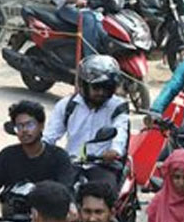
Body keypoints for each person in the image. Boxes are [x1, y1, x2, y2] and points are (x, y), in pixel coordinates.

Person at [42, 55, 130, 191]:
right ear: (83, 85)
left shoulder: (118, 107)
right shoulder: (67, 105)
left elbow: (121, 130)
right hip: (71, 164)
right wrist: (41, 147)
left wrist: (114, 150)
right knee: (51, 193)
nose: (101, 92)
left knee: (101, 195)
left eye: (106, 88)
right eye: (96, 87)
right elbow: (50, 135)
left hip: (103, 166)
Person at [0, 100, 76, 200]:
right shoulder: (7, 156)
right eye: (19, 126)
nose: (24, 130)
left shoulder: (59, 157)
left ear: (41, 126)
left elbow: (66, 192)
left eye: (30, 125)